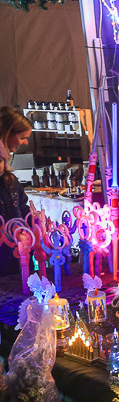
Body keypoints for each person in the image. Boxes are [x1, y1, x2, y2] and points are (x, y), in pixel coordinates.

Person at [0, 106, 33, 277]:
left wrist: (31, 224)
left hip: (15, 249)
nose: (25, 142)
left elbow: (21, 206)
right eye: (22, 138)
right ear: (8, 134)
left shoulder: (9, 179)